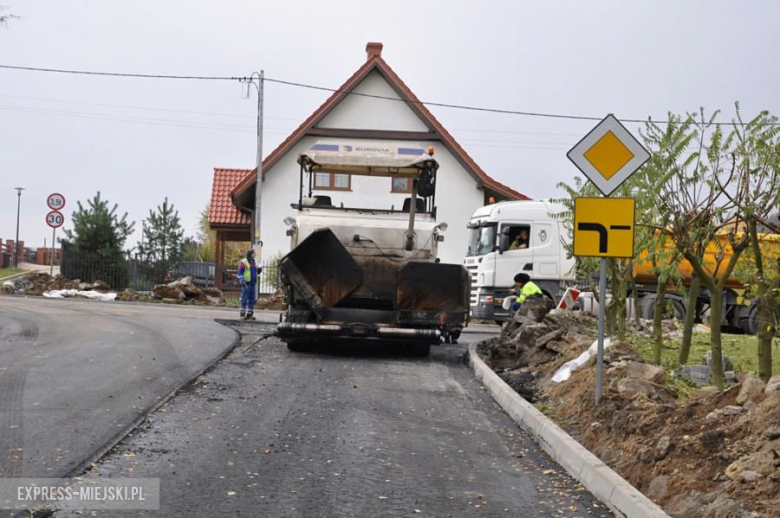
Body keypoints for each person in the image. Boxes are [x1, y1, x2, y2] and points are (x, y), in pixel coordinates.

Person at [238, 249, 261, 320]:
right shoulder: (244, 262)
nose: (254, 255)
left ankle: (249, 314)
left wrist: (259, 270)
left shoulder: (254, 262)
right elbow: (240, 272)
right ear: (250, 254)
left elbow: (256, 272)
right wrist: (242, 279)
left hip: (252, 283)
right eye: (253, 253)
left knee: (252, 299)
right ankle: (242, 314)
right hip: (246, 283)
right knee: (244, 298)